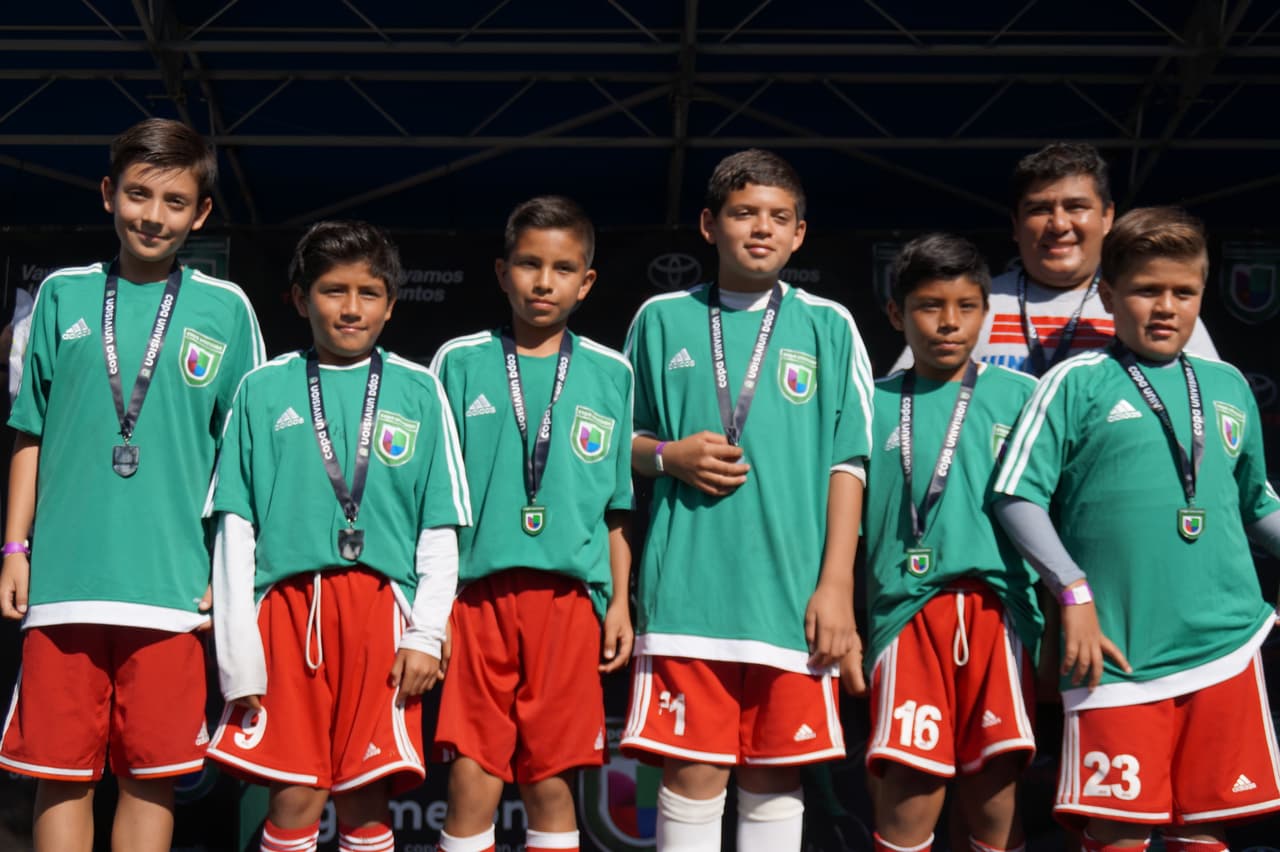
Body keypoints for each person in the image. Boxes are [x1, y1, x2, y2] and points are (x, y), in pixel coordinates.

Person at [0, 117, 265, 852]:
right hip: (65, 581)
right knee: (60, 774)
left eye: (175, 201)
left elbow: (244, 457)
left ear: (202, 213)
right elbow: (32, 432)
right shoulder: (61, 295)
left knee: (152, 775)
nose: (154, 215)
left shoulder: (227, 308)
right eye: (140, 195)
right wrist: (15, 546)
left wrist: (229, 569)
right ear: (109, 194)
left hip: (173, 589)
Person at [994, 207, 1280, 851]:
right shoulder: (1076, 382)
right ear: (1107, 293)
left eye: (1184, 292)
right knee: (1117, 834)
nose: (1166, 307)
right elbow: (1015, 497)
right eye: (1147, 290)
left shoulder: (1228, 383)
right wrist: (1073, 595)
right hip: (1116, 652)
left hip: (1225, 644)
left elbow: (1257, 502)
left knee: (1204, 832)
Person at [621, 149, 874, 852]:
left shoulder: (829, 324)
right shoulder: (661, 317)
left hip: (791, 599)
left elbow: (849, 463)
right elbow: (613, 442)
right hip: (685, 599)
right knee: (689, 776)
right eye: (743, 214)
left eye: (777, 217)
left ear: (799, 233)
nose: (759, 229)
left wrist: (836, 585)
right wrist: (669, 456)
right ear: (709, 224)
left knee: (775, 781)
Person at [206, 220, 469, 852]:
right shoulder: (261, 387)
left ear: (391, 304)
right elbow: (235, 528)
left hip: (381, 614)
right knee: (294, 793)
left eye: (368, 293)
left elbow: (439, 529)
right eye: (332, 290)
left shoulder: (419, 388)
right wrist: (238, 653)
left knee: (365, 792)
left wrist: (426, 632)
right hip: (287, 615)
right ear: (300, 299)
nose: (350, 308)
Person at [430, 195, 634, 852]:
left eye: (562, 268)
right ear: (500, 272)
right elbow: (430, 501)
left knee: (551, 780)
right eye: (528, 264)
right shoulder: (457, 363)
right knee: (473, 775)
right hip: (475, 597)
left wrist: (620, 604)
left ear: (587, 281)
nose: (544, 282)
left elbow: (617, 507)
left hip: (570, 600)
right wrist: (428, 614)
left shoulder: (611, 373)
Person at [864, 234, 1041, 852]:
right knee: (912, 793)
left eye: (967, 306)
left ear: (985, 312)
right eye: (929, 306)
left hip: (1002, 617)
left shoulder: (1025, 399)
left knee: (994, 798)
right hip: (906, 616)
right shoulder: (867, 404)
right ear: (895, 314)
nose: (949, 322)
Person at [889, 142, 1217, 376]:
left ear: (1107, 217)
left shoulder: (1152, 305)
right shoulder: (973, 303)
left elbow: (1209, 405)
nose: (1059, 225)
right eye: (1040, 209)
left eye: (1076, 207)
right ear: (1016, 225)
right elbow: (909, 402)